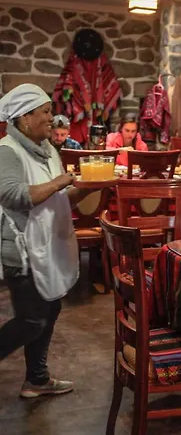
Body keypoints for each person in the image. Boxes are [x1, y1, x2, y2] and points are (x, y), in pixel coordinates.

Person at [0, 84, 94, 398]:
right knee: (32, 320)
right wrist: (58, 183)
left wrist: (91, 187)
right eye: (45, 112)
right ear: (24, 118)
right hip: (22, 250)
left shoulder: (48, 150)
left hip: (48, 246)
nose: (51, 118)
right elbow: (13, 196)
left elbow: (61, 199)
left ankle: (37, 380)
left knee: (49, 311)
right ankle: (36, 378)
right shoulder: (7, 151)